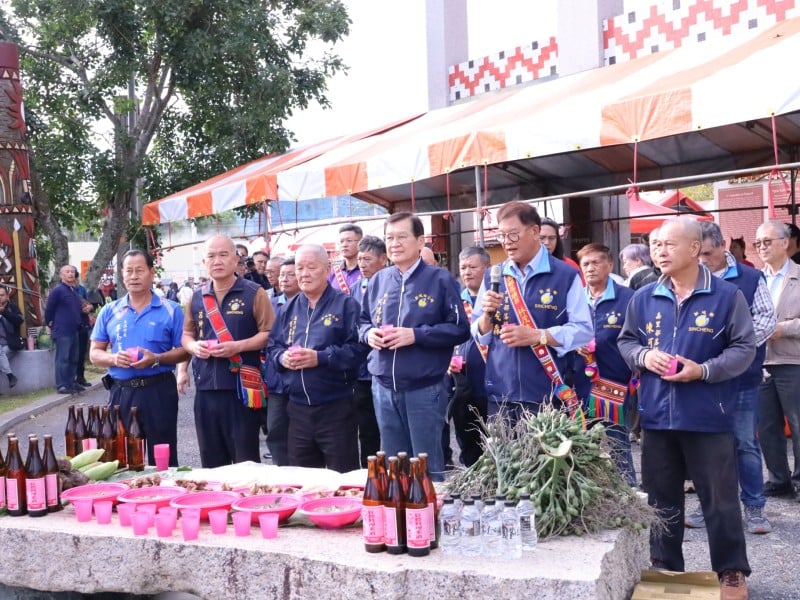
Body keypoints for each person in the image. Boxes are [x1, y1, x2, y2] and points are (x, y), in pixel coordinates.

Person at [617, 217, 755, 599]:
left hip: (708, 414)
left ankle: (731, 571)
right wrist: (644, 356)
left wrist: (704, 370)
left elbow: (744, 348)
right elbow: (626, 342)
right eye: (655, 245)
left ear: (695, 249)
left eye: (668, 244)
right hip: (657, 416)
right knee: (661, 499)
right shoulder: (644, 297)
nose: (659, 251)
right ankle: (665, 568)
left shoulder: (726, 296)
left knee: (719, 500)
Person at [359, 212, 470, 480]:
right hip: (383, 386)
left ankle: (429, 508)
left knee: (425, 465)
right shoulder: (379, 280)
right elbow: (362, 321)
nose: (394, 243)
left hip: (424, 387)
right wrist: (368, 334)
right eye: (389, 238)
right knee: (394, 467)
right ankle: (399, 508)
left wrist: (416, 335)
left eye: (402, 237)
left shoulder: (440, 280)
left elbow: (460, 328)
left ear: (420, 241)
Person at [683, 222, 776, 534]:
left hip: (742, 377)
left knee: (745, 442)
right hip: (701, 378)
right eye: (698, 254)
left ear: (723, 245)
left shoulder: (750, 278)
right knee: (706, 444)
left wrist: (734, 349)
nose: (703, 260)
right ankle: (708, 504)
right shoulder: (691, 278)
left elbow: (766, 319)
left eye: (708, 253)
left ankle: (754, 508)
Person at [473, 201, 593, 422]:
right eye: (502, 236)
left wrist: (539, 336)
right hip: (500, 393)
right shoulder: (494, 275)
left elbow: (583, 330)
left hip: (546, 394)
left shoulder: (565, 275)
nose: (506, 242)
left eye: (513, 234)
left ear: (535, 231)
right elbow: (479, 334)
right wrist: (486, 317)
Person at [266, 244, 367, 472]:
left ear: (327, 269)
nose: (304, 274)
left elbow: (359, 349)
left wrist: (320, 358)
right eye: (300, 268)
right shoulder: (288, 308)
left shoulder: (346, 305)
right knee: (304, 478)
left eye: (311, 267)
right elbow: (273, 347)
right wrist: (282, 358)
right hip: (297, 408)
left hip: (336, 406)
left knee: (342, 477)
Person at [181, 234, 275, 468]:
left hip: (241, 391)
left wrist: (238, 346)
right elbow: (186, 334)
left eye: (223, 255)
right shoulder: (197, 297)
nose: (217, 261)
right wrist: (193, 347)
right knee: (211, 463)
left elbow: (269, 333)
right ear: (204, 262)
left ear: (236, 259)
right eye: (211, 256)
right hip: (205, 390)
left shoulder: (254, 293)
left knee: (245, 463)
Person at [89, 250, 190, 466]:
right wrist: (114, 359)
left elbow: (185, 350)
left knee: (163, 457)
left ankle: (164, 486)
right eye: (129, 271)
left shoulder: (171, 310)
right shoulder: (109, 311)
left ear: (151, 273)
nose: (134, 276)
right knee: (121, 458)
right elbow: (94, 353)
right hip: (121, 392)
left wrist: (156, 358)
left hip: (158, 391)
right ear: (122, 274)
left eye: (139, 270)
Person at [573, 243, 636, 485]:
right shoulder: (575, 298)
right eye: (585, 264)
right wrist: (573, 344)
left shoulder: (627, 298)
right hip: (579, 383)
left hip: (613, 383)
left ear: (610, 265)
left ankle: (629, 492)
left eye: (595, 262)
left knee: (617, 442)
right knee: (581, 442)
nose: (590, 268)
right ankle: (590, 493)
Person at [754, 221, 800, 499]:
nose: (761, 247)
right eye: (758, 243)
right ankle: (778, 480)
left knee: (798, 423)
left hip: (792, 360)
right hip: (761, 362)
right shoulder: (755, 279)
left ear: (785, 242)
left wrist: (785, 328)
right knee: (767, 426)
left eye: (767, 241)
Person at [449, 246, 490, 467]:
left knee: (496, 443)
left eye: (473, 267)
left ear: (487, 268)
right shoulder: (455, 301)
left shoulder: (496, 300)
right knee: (468, 444)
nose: (467, 272)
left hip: (493, 384)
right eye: (463, 267)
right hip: (463, 384)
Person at [350, 236, 387, 467]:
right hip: (362, 370)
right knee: (367, 428)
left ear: (383, 259)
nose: (362, 264)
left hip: (386, 365)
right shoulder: (355, 288)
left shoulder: (392, 284)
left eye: (367, 259)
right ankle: (370, 472)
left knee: (390, 427)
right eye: (360, 259)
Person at [264, 257, 300, 466]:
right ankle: (282, 471)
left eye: (290, 275)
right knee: (276, 430)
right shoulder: (271, 304)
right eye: (282, 275)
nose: (284, 279)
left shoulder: (310, 304)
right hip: (277, 379)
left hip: (302, 379)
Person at [44, 265, 85, 394]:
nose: (70, 274)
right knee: (63, 358)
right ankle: (61, 385)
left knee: (73, 358)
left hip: (74, 329)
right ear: (61, 275)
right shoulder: (58, 290)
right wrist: (50, 323)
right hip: (62, 330)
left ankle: (71, 382)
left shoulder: (74, 290)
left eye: (72, 271)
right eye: (67, 272)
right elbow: (49, 309)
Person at [72, 266, 94, 388]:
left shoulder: (81, 289)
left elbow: (87, 302)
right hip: (72, 325)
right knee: (72, 354)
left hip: (83, 324)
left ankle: (80, 377)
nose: (75, 281)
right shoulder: (65, 290)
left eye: (76, 278)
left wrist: (89, 307)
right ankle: (72, 379)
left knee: (81, 353)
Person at [328, 223, 363, 294]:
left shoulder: (367, 270)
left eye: (349, 240)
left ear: (360, 242)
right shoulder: (333, 273)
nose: (344, 245)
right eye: (341, 241)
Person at [0, 286, 22, 390]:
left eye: (2, 295)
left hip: (10, 344)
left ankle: (10, 376)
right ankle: (10, 376)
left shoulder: (13, 308)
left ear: (7, 296)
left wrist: (4, 312)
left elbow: (19, 321)